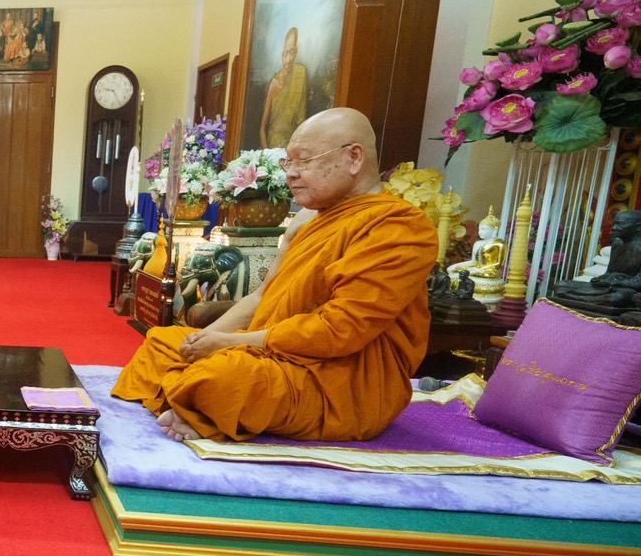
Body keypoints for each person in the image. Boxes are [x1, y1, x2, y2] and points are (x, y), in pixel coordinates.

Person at [114, 107, 436, 443]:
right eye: (288, 163)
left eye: (303, 161)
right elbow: (261, 297)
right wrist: (202, 343)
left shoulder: (400, 227)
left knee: (224, 378)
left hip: (339, 381)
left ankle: (200, 401)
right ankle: (197, 405)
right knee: (162, 344)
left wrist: (229, 344)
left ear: (354, 158)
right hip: (271, 353)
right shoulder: (312, 219)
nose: (291, 174)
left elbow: (339, 330)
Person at [259, 26, 309, 149]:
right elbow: (262, 128)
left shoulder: (300, 75)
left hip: (292, 145)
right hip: (274, 144)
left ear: (296, 52)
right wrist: (267, 154)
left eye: (292, 52)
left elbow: (301, 120)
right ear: (282, 54)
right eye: (286, 53)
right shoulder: (275, 84)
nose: (288, 59)